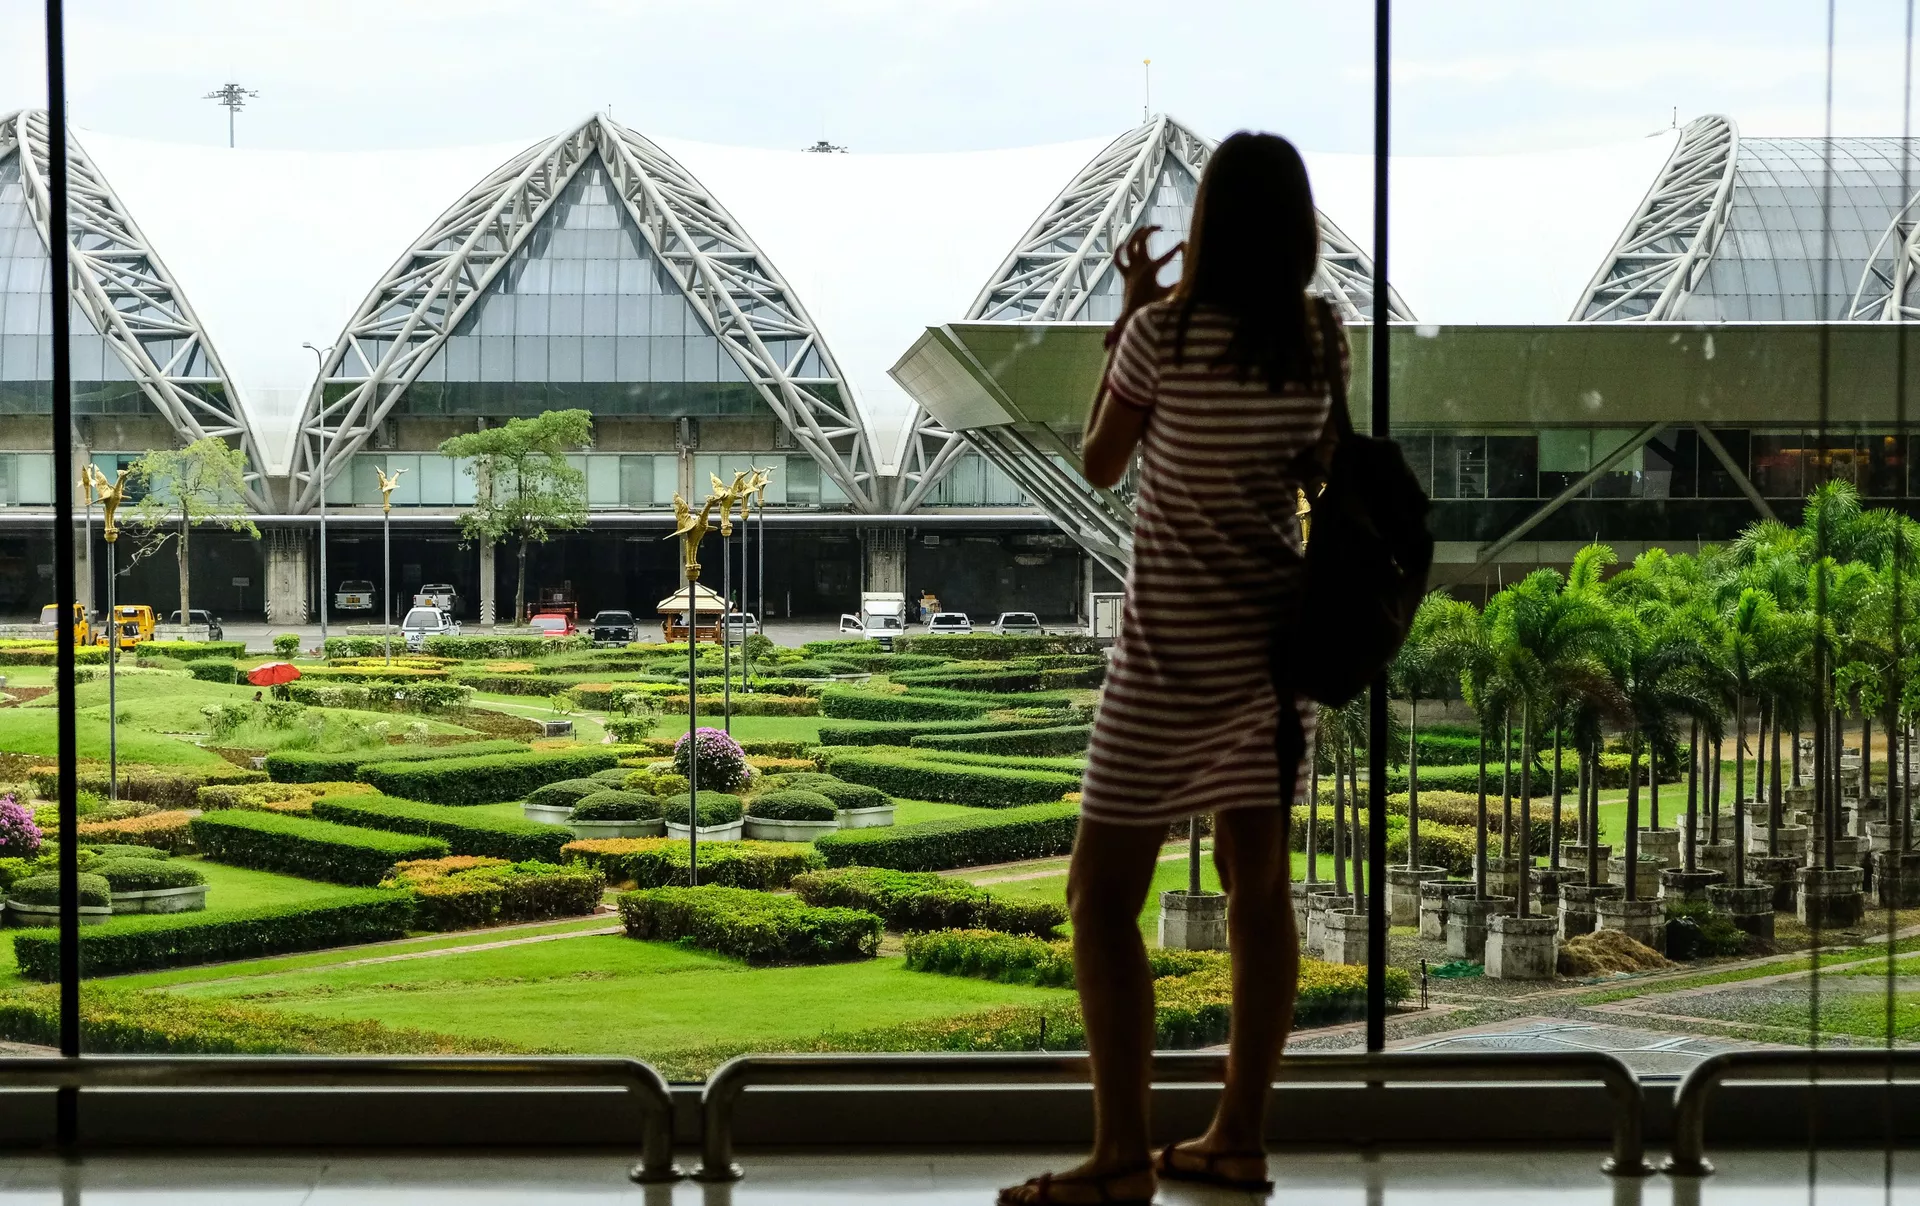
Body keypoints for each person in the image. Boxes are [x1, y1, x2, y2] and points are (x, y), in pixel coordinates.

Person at [999, 132, 1343, 1206]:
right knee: (1258, 895)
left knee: (1099, 896)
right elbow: (1319, 471)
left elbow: (1103, 462)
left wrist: (1128, 323)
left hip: (1165, 650)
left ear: (1205, 228)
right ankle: (1239, 1137)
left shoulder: (1162, 333)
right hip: (1271, 648)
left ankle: (1118, 1154)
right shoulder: (1320, 336)